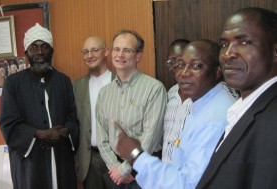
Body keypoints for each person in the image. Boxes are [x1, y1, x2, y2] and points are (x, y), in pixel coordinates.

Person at [116, 39, 236, 189]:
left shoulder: (215, 117)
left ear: (218, 71)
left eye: (196, 66)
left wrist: (136, 156)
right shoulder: (201, 101)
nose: (183, 73)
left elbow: (188, 184)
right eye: (180, 65)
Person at [196, 7, 277, 189]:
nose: (227, 54)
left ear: (275, 51)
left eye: (245, 42)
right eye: (224, 44)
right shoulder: (246, 107)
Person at [0, 23, 79, 189]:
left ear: (52, 51)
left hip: (61, 157)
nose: (40, 52)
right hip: (30, 163)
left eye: (45, 46)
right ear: (26, 52)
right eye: (34, 47)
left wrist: (62, 132)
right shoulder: (13, 83)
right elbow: (8, 124)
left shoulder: (63, 81)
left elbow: (72, 118)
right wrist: (40, 134)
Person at [96, 29, 167, 189]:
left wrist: (125, 169)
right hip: (115, 174)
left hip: (144, 170)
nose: (120, 55)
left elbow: (150, 137)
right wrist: (115, 168)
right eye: (116, 49)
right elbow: (102, 138)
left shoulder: (154, 88)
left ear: (138, 56)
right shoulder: (104, 93)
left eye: (127, 50)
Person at [73, 36, 115, 189]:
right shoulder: (77, 86)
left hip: (116, 159)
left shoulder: (120, 81)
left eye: (94, 50)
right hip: (89, 160)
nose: (89, 55)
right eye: (85, 52)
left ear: (106, 52)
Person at [162, 39, 190, 163]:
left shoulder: (203, 93)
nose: (175, 66)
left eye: (180, 61)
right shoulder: (170, 93)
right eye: (171, 61)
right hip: (167, 172)